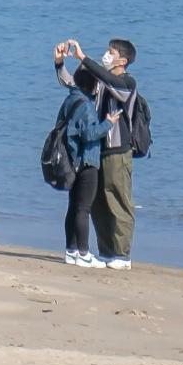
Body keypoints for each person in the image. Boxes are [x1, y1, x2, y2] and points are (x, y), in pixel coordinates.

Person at [54, 35, 139, 269]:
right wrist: (60, 64)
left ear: (123, 60)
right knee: (98, 202)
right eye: (107, 50)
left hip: (118, 151)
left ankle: (122, 254)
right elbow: (75, 86)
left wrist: (82, 56)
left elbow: (113, 84)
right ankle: (106, 251)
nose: (107, 55)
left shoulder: (127, 83)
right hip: (96, 149)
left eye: (111, 52)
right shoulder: (102, 80)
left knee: (119, 200)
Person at [59, 89, 120, 266]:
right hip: (86, 161)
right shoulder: (86, 106)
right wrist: (108, 123)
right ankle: (84, 253)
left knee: (73, 207)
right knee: (83, 208)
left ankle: (71, 250)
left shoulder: (70, 99)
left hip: (72, 161)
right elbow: (89, 134)